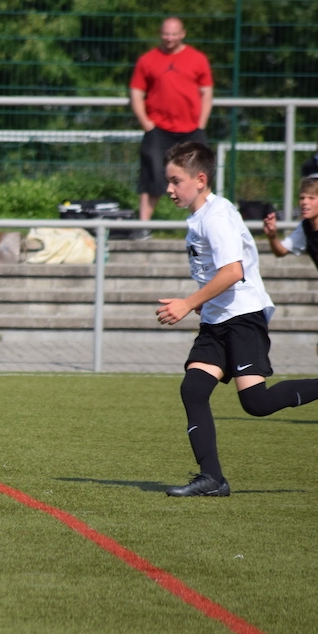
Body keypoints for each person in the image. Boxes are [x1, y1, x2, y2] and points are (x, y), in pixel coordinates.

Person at [155, 141, 318, 497]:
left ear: (200, 180)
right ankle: (211, 479)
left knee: (256, 403)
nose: (169, 189)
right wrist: (203, 302)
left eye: (175, 181)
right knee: (193, 389)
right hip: (217, 319)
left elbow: (233, 271)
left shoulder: (216, 216)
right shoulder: (200, 217)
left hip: (242, 317)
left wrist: (188, 303)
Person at [130, 16, 213, 227]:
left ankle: (205, 224)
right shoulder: (147, 60)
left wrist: (201, 123)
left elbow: (206, 92)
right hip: (158, 129)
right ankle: (143, 226)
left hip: (191, 129)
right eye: (166, 34)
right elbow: (136, 93)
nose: (169, 38)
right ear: (160, 34)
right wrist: (146, 123)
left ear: (182, 34)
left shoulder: (197, 59)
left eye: (174, 34)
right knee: (153, 175)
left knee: (199, 176)